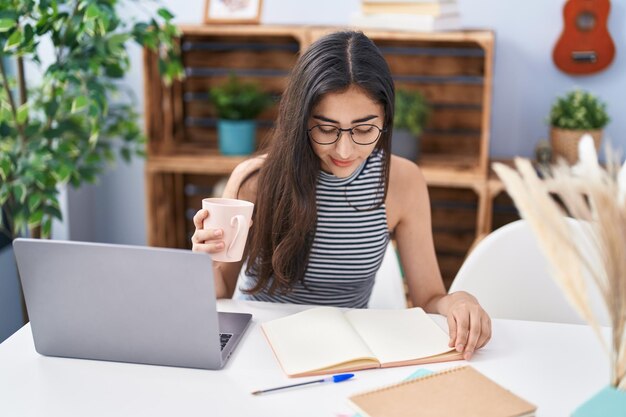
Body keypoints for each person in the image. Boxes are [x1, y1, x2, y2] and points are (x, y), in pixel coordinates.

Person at [192, 30, 491, 360]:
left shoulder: (403, 182)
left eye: (364, 130)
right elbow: (219, 290)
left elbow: (429, 298)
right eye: (326, 128)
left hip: (347, 354)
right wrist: (203, 261)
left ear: (386, 119)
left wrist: (459, 301)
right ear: (301, 119)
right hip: (260, 347)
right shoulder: (255, 180)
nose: (344, 149)